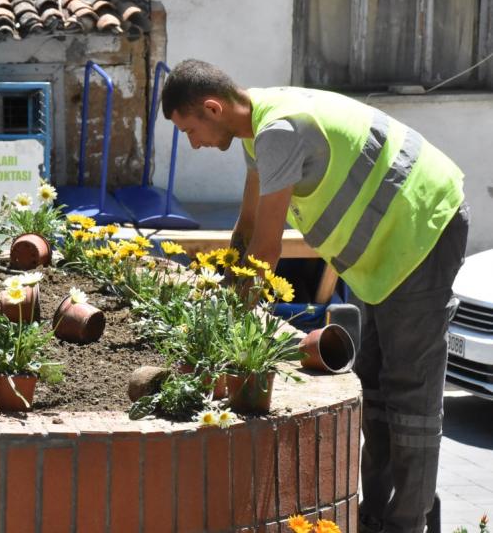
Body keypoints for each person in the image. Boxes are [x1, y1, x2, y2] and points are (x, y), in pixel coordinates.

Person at [161, 59, 469, 533]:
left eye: (190, 129)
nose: (194, 143)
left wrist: (231, 328)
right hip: (388, 251)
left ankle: (406, 523)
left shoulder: (277, 131)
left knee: (410, 391)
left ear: (212, 107)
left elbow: (266, 246)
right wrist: (224, 287)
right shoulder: (255, 129)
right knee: (378, 385)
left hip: (422, 228)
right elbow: (245, 228)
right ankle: (377, 514)